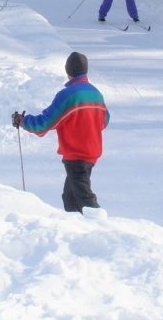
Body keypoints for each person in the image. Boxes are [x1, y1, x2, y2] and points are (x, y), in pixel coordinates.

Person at [12, 51, 109, 214]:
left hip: (76, 153)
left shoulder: (67, 95)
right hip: (91, 151)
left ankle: (104, 230)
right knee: (70, 198)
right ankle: (78, 231)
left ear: (67, 70)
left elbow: (43, 124)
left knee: (85, 201)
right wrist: (87, 127)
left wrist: (22, 121)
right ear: (86, 70)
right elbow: (104, 120)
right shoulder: (96, 93)